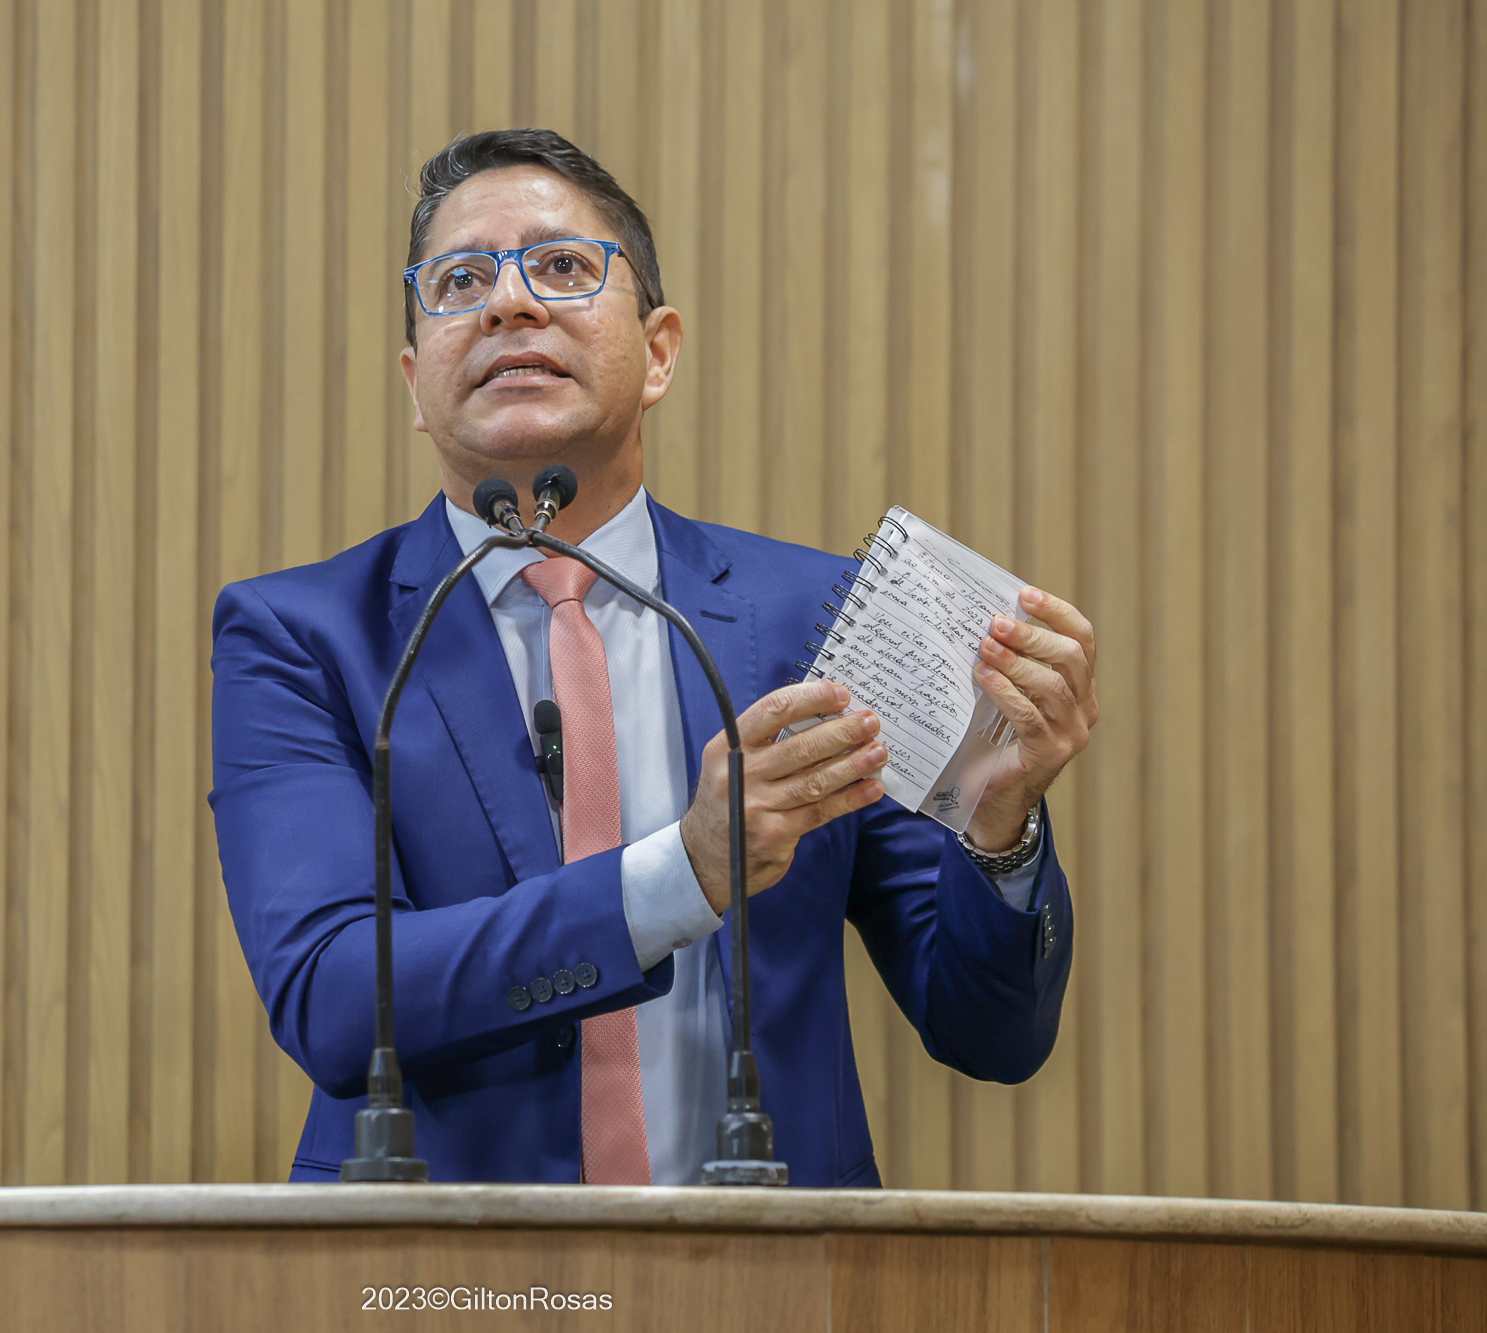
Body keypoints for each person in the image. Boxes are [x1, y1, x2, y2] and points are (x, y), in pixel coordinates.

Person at [209, 129, 1098, 1186]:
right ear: (415, 383)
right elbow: (333, 997)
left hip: (776, 1263)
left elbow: (988, 1031)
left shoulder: (820, 616)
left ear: (659, 351)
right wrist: (685, 872)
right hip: (444, 1262)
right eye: (459, 281)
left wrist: (999, 828)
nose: (507, 304)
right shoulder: (304, 635)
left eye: (561, 266)